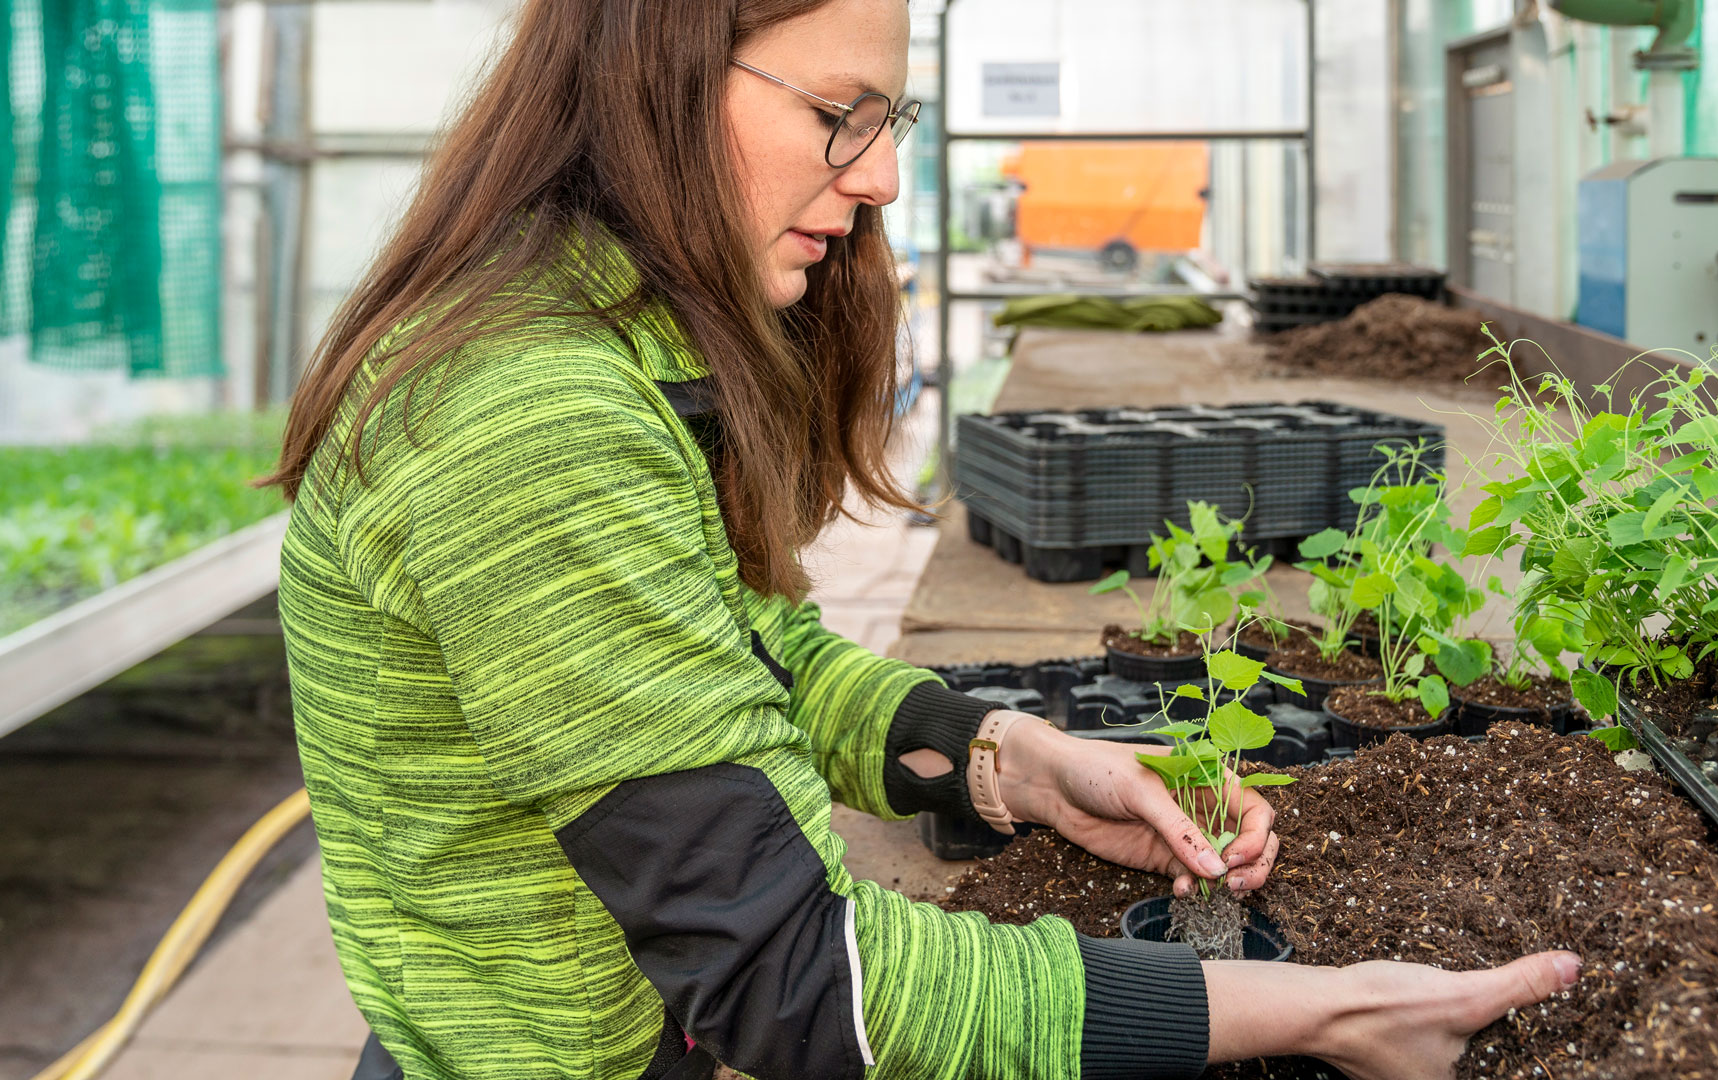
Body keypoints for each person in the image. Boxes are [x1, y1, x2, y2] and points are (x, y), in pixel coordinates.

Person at [264, 1, 1582, 1078]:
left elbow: (753, 660)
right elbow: (799, 980)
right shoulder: (529, 412)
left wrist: (1020, 764)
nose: (884, 175)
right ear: (654, 63)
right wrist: (1320, 1010)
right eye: (840, 115)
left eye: (892, 122)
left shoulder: (612, 342)